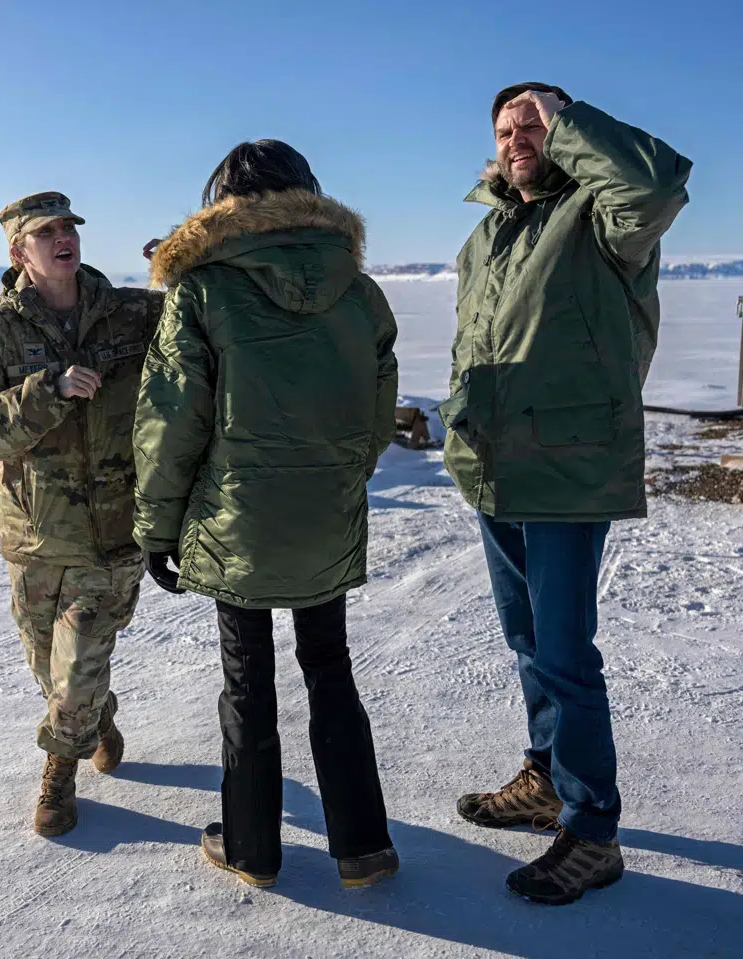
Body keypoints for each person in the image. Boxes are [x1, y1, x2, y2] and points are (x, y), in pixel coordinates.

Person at [442, 83, 691, 905]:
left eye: (536, 123)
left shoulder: (602, 217)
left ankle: (592, 829)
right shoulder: (488, 232)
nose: (520, 136)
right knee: (526, 638)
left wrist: (570, 122)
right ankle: (547, 776)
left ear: (566, 128)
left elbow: (653, 186)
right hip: (498, 464)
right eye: (507, 127)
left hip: (567, 464)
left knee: (564, 653)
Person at [133, 141, 400, 888]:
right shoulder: (360, 290)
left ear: (222, 204)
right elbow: (379, 406)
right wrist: (340, 473)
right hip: (324, 510)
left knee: (247, 679)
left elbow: (169, 420)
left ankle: (251, 848)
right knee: (331, 668)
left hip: (235, 518)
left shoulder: (203, 289)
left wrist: (156, 526)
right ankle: (364, 846)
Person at [0, 192, 163, 836]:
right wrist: (47, 390)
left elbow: (198, 332)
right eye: (47, 232)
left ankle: (57, 779)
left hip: (113, 533)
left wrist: (182, 272)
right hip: (36, 536)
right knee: (50, 667)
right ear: (20, 252)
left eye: (69, 227)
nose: (63, 237)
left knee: (75, 672)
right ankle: (97, 715)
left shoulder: (131, 313)